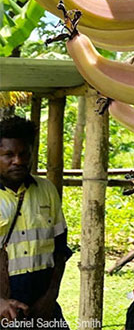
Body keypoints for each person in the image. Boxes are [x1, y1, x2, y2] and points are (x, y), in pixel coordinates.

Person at [0, 115, 71, 325]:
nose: (18, 161)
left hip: (43, 299)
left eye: (24, 154)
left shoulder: (46, 189)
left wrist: (50, 298)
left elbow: (60, 251)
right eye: (8, 155)